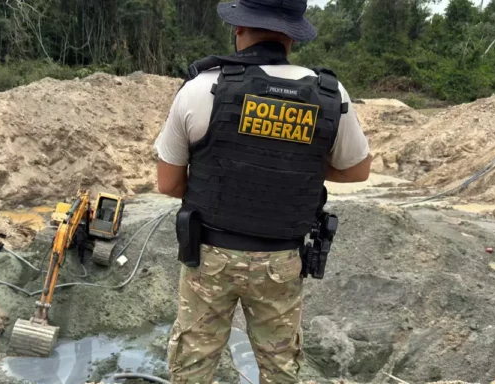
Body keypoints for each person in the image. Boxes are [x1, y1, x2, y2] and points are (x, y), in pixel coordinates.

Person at [153, 0, 372, 382]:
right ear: (291, 36)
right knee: (280, 369)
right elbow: (358, 170)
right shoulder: (330, 94)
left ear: (239, 30)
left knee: (192, 366)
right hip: (280, 261)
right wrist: (293, 161)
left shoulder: (200, 89)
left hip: (208, 257)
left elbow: (168, 183)